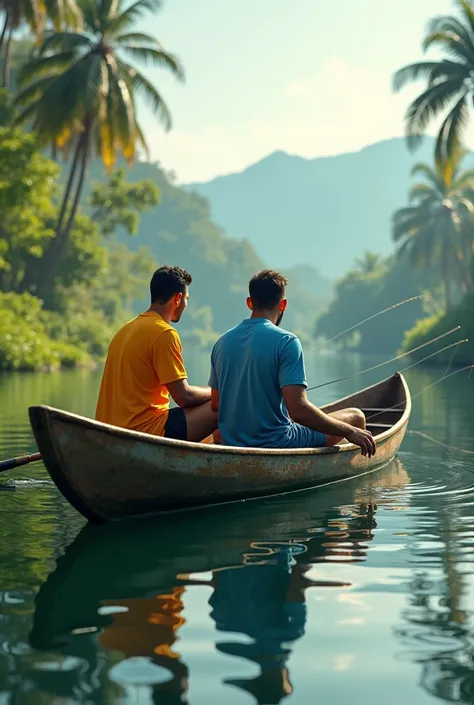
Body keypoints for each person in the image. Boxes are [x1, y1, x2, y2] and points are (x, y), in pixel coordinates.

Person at [209, 269, 376, 455]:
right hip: (279, 443)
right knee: (356, 417)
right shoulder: (287, 341)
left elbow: (216, 404)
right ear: (283, 305)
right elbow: (298, 410)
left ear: (250, 303)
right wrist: (349, 431)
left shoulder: (221, 343)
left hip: (232, 442)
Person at [96, 265, 217, 443]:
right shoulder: (164, 334)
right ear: (178, 298)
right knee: (223, 404)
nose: (186, 305)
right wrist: (216, 392)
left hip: (110, 431)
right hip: (144, 432)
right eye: (186, 299)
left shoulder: (124, 330)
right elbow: (185, 397)